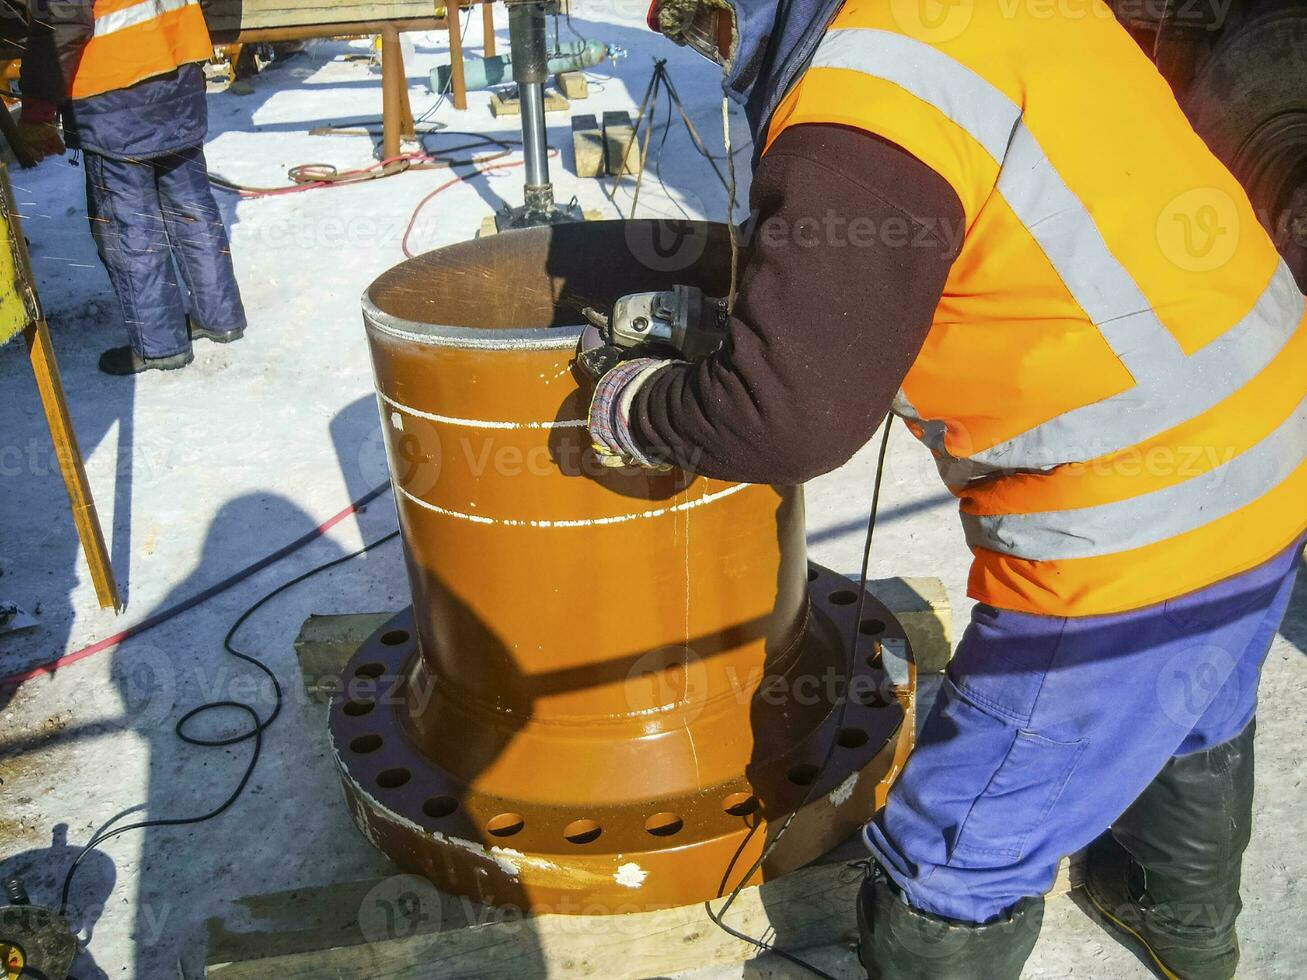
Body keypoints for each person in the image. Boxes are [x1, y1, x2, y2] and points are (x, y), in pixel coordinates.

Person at [580, 1, 1307, 977]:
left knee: (952, 843)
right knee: (1185, 700)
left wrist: (637, 407)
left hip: (1137, 526)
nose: (694, 40)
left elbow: (788, 416)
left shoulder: (862, 102)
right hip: (1267, 431)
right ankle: (1165, 914)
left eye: (696, 18)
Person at [19, 0, 247, 375]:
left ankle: (160, 346)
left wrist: (36, 109)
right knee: (192, 208)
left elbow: (61, 20)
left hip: (113, 91)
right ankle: (220, 316)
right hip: (179, 75)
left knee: (129, 226)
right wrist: (206, 38)